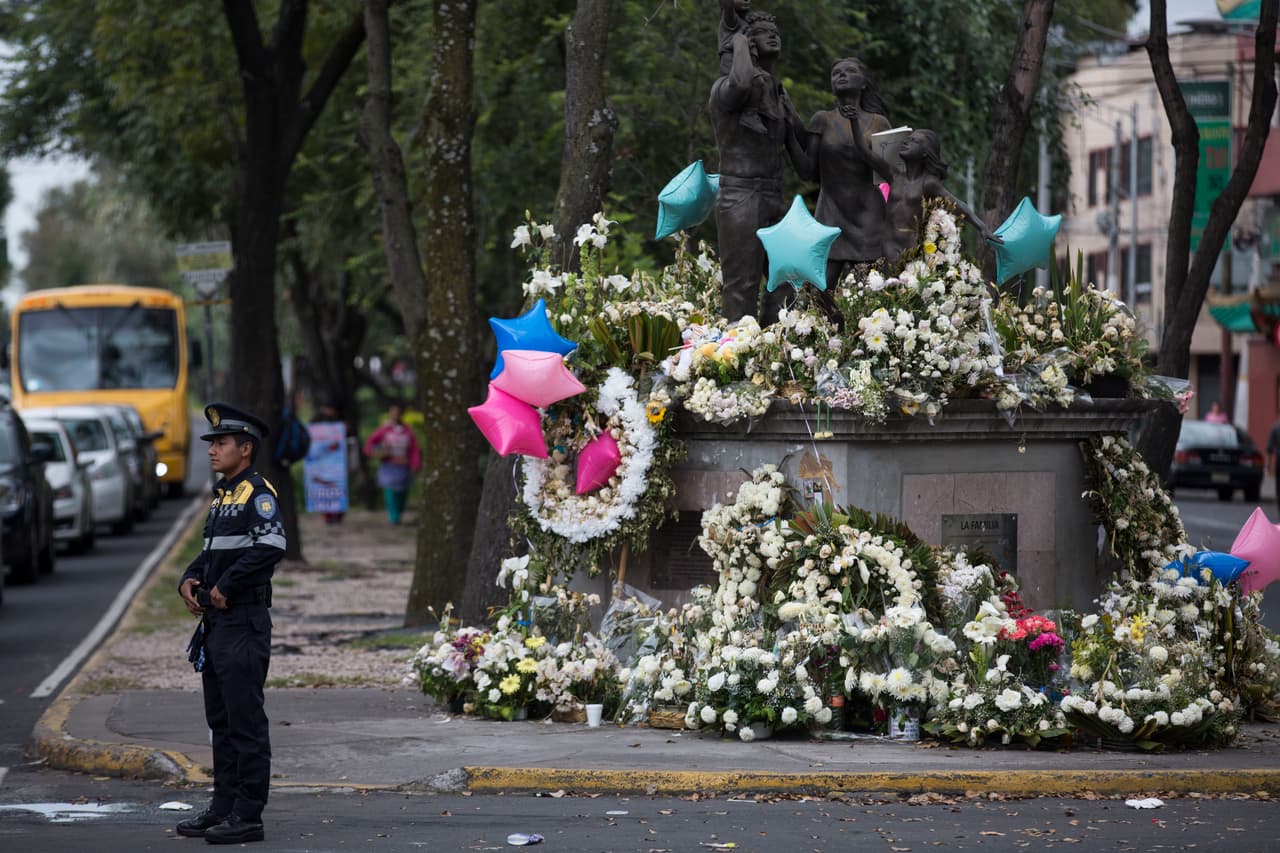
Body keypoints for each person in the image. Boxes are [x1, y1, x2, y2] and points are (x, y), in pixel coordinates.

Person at [176, 403, 285, 845]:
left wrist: (225, 587)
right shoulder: (224, 496)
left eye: (221, 443)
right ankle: (223, 806)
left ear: (245, 448)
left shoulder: (257, 493)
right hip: (218, 625)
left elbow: (270, 546)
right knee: (220, 721)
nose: (212, 450)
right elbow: (215, 552)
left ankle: (247, 814)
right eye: (212, 443)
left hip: (242, 621)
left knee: (244, 722)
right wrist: (190, 577)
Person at [709, 10, 806, 325]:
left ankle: (776, 357)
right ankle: (736, 362)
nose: (772, 35)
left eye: (774, 30)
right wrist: (737, 39)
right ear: (747, 44)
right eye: (762, 32)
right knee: (742, 287)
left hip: (774, 196)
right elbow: (740, 83)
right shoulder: (725, 90)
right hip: (741, 195)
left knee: (790, 279)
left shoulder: (775, 95)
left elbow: (802, 156)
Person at [791, 57, 892, 299]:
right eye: (836, 72)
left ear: (864, 83)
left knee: (871, 298)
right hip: (830, 216)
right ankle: (827, 337)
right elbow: (807, 172)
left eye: (850, 71)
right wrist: (789, 129)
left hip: (869, 220)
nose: (841, 75)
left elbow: (891, 175)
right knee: (819, 294)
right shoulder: (822, 120)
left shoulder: (879, 122)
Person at [864, 128, 1000, 260]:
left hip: (908, 250)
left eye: (914, 141)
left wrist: (982, 227)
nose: (906, 142)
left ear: (925, 153)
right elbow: (864, 152)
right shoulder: (893, 175)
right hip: (885, 245)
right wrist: (853, 121)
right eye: (908, 139)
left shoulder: (928, 183)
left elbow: (957, 204)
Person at [363, 404, 421, 524]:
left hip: (403, 466)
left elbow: (414, 449)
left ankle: (398, 513)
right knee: (390, 491)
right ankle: (394, 517)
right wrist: (376, 452)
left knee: (402, 492)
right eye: (393, 413)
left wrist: (415, 464)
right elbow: (370, 444)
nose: (395, 415)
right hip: (388, 465)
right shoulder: (384, 429)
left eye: (397, 413)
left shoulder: (407, 430)